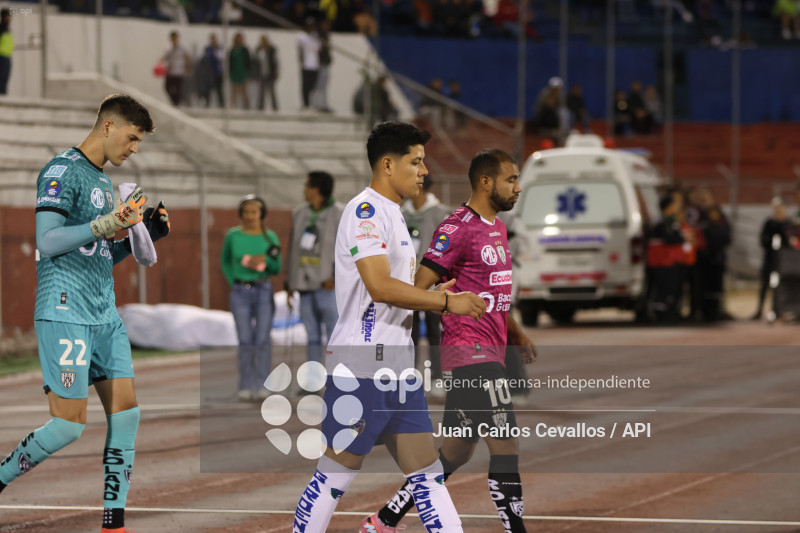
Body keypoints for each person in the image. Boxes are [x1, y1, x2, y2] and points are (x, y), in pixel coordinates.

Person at [291, 121, 486, 532]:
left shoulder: (393, 213)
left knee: (429, 478)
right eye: (415, 162)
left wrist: (433, 294)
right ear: (386, 164)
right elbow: (379, 288)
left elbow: (396, 288)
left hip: (398, 367)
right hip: (362, 369)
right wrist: (446, 302)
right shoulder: (364, 212)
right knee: (334, 476)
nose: (423, 171)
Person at [0, 94, 169, 533]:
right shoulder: (61, 171)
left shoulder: (100, 179)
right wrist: (110, 222)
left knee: (127, 415)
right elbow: (49, 241)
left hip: (103, 314)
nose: (134, 149)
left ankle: (114, 522)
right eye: (132, 138)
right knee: (67, 427)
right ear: (108, 127)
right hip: (65, 312)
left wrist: (144, 233)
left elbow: (96, 253)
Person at [361, 148, 537, 533]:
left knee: (455, 452)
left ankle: (384, 519)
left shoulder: (498, 227)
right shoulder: (456, 228)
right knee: (506, 445)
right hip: (469, 352)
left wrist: (516, 332)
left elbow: (495, 292)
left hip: (490, 349)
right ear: (485, 182)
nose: (518, 188)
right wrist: (448, 305)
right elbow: (419, 288)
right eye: (511, 180)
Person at [220, 196, 281, 401]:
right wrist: (233, 281)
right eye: (246, 212)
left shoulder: (270, 237)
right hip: (240, 292)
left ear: (261, 214)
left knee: (262, 338)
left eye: (254, 212)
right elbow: (225, 262)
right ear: (240, 214)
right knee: (245, 339)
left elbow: (277, 266)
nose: (249, 216)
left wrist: (265, 261)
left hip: (263, 289)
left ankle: (263, 384)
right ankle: (245, 385)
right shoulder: (233, 236)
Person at [286, 171, 343, 383]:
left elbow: (346, 250)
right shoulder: (299, 213)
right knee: (311, 337)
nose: (304, 189)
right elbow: (293, 248)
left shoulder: (341, 214)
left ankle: (336, 380)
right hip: (304, 285)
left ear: (317, 189)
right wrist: (289, 282)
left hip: (328, 286)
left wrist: (336, 277)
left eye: (307, 185)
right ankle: (311, 382)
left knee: (334, 336)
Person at [402, 174, 449, 379]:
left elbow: (448, 248)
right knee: (408, 333)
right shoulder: (402, 213)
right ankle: (409, 375)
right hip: (407, 283)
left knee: (433, 332)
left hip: (431, 283)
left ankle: (437, 377)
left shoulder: (439, 213)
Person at [752, 198, 790, 320]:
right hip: (769, 258)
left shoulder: (787, 223)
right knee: (765, 284)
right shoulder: (769, 223)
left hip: (782, 260)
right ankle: (760, 310)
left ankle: (778, 310)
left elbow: (789, 242)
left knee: (779, 286)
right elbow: (763, 239)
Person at [161, 30, 192, 106]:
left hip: (179, 72)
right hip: (170, 72)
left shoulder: (182, 48)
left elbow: (187, 58)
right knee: (167, 88)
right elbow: (165, 57)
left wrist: (188, 68)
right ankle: (174, 101)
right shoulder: (168, 47)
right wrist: (161, 61)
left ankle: (176, 104)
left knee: (178, 90)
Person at [297, 17, 320, 111]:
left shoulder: (316, 36)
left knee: (313, 85)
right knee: (305, 86)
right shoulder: (302, 36)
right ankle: (305, 104)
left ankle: (312, 103)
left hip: (314, 65)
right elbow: (300, 49)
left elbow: (318, 49)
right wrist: (301, 61)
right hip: (306, 65)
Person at [254, 34, 279, 112]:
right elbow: (256, 62)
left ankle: (275, 108)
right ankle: (260, 108)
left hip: (270, 73)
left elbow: (275, 62)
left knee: (272, 92)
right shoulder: (258, 49)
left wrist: (275, 72)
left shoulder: (272, 49)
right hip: (261, 73)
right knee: (261, 92)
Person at [312, 19, 333, 112]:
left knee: (324, 85)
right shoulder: (318, 36)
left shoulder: (326, 36)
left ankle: (323, 104)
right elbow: (317, 50)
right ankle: (317, 104)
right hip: (319, 64)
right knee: (319, 85)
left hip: (325, 63)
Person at [201, 33, 225, 108]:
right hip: (209, 73)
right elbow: (205, 59)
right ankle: (207, 105)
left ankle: (222, 106)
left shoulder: (219, 48)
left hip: (218, 73)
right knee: (208, 90)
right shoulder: (208, 49)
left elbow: (222, 58)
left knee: (219, 90)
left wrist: (216, 50)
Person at [229, 32, 251, 110]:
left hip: (242, 72)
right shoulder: (232, 50)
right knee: (234, 91)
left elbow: (248, 62)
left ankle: (247, 107)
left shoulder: (245, 50)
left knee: (244, 91)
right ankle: (233, 107)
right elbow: (230, 63)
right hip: (235, 73)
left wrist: (247, 72)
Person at [0, 8, 13, 95]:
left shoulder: (8, 28)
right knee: (1, 79)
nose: (10, 18)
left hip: (7, 56)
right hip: (2, 56)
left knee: (5, 79)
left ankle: (4, 95)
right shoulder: (1, 28)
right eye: (8, 16)